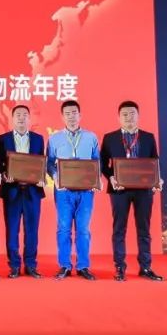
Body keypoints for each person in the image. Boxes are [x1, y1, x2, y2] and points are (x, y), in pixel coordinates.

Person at [100, 100, 164, 282]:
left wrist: (157, 179)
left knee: (144, 229)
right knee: (119, 229)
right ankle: (119, 267)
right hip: (119, 190)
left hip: (143, 190)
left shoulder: (148, 137)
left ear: (138, 116)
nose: (129, 117)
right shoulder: (110, 138)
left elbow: (154, 162)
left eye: (132, 114)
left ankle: (146, 267)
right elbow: (103, 164)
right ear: (119, 117)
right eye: (125, 114)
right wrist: (111, 178)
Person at [46, 100, 100, 281]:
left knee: (83, 229)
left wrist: (95, 180)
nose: (71, 116)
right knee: (63, 228)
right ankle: (65, 265)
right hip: (63, 191)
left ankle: (83, 266)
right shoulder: (54, 139)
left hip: (86, 191)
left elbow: (96, 162)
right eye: (67, 113)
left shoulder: (91, 137)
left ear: (80, 115)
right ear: (62, 117)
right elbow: (49, 163)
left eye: (74, 112)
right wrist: (55, 176)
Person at [0, 104, 46, 278]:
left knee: (32, 230)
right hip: (12, 191)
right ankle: (14, 265)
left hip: (32, 191)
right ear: (12, 118)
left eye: (25, 114)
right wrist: (4, 175)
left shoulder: (38, 139)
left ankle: (31, 265)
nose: (21, 118)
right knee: (12, 230)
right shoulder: (2, 139)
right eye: (18, 115)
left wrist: (41, 177)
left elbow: (41, 163)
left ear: (29, 118)